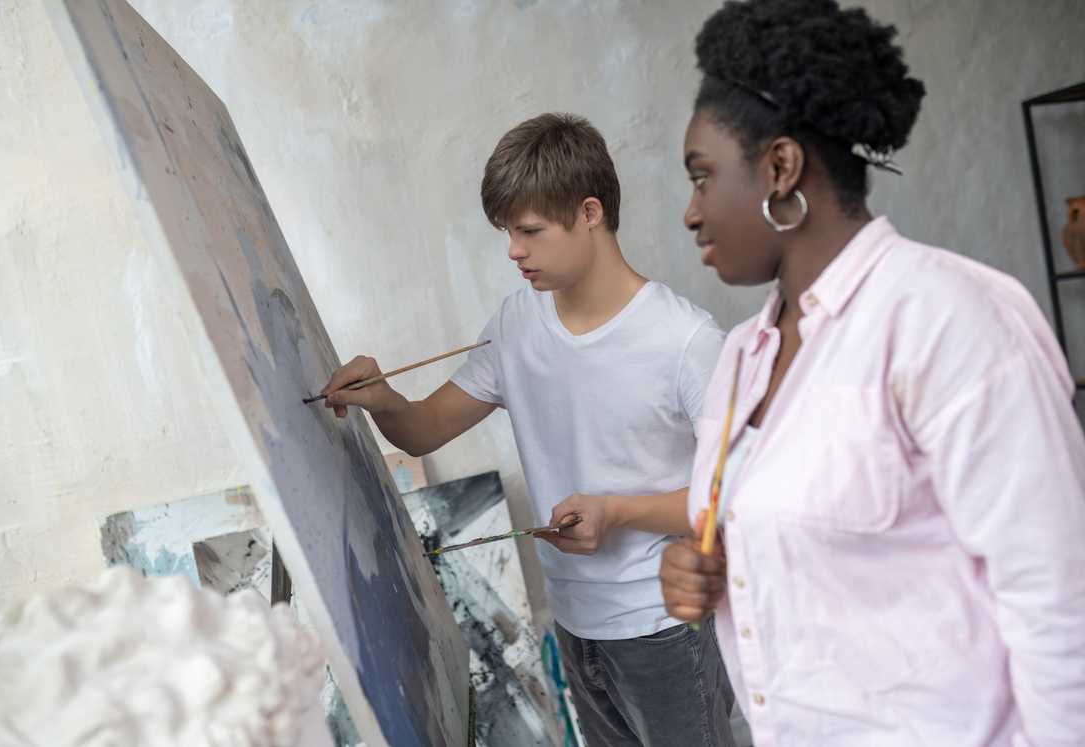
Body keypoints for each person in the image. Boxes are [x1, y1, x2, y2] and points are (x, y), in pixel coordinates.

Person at [659, 1, 1085, 745]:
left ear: (780, 168)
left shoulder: (943, 320)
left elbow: (1061, 605)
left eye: (703, 177)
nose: (692, 213)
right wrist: (708, 570)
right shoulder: (742, 358)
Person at [323, 113, 736, 745]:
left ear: (590, 212)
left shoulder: (687, 341)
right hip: (575, 625)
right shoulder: (517, 324)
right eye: (508, 232)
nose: (514, 250)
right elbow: (423, 430)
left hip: (665, 628)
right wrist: (383, 399)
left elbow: (735, 498)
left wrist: (618, 512)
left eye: (530, 231)